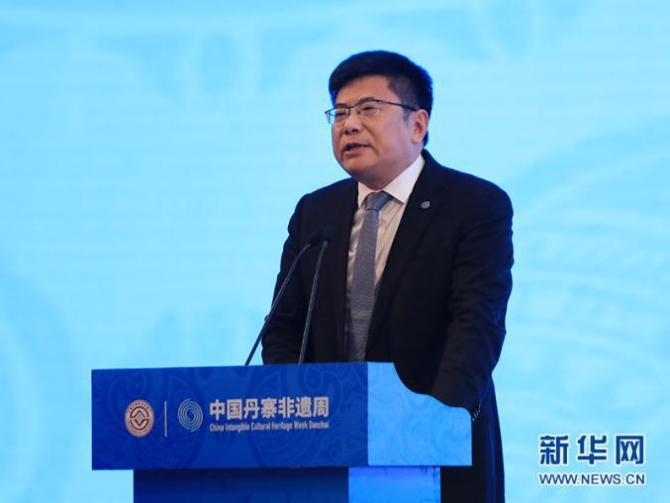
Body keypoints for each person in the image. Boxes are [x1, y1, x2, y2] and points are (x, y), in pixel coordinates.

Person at [261, 50, 513, 502]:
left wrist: (434, 423)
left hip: (437, 455)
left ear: (417, 124)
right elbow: (283, 328)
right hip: (327, 455)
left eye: (368, 109)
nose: (349, 125)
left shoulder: (474, 204)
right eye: (339, 113)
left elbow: (477, 323)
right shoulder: (315, 211)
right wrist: (294, 417)